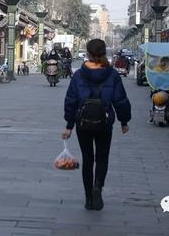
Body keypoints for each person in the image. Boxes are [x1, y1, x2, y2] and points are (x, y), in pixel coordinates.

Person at [62, 38, 131, 211]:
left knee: (87, 160)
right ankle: (97, 187)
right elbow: (120, 99)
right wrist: (124, 121)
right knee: (102, 158)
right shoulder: (112, 74)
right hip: (105, 122)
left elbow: (71, 100)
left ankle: (88, 199)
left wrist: (69, 125)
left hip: (82, 123)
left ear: (88, 53)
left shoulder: (79, 74)